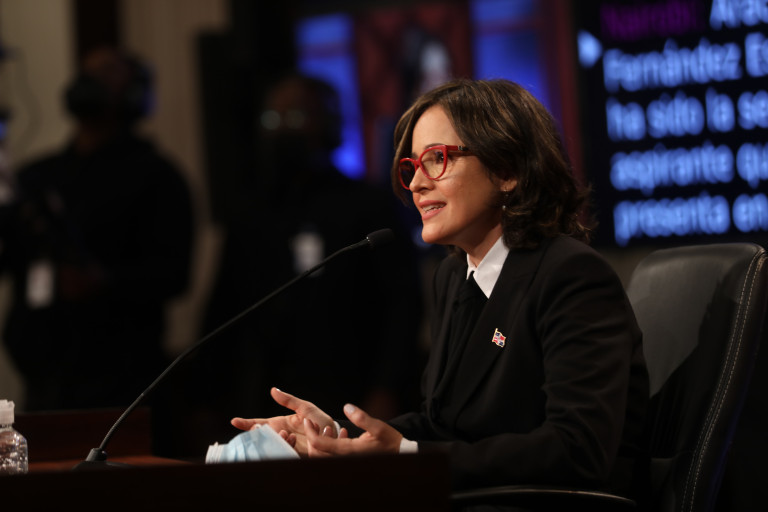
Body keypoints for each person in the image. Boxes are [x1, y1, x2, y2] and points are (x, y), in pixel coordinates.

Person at [230, 79, 649, 497]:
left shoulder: (570, 275)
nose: (416, 184)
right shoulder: (452, 277)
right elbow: (440, 424)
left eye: (437, 159)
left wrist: (408, 457)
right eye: (412, 166)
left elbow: (579, 448)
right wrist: (335, 436)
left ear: (507, 170)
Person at [185, 72, 424, 453]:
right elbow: (223, 306)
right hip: (261, 395)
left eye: (296, 117)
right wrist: (202, 398)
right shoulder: (250, 212)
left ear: (329, 123)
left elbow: (402, 305)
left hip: (349, 393)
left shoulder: (368, 205)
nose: (282, 129)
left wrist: (386, 388)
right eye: (272, 119)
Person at [0, 47, 194, 411]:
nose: (88, 82)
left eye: (105, 73)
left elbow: (174, 275)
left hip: (121, 379)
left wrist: (105, 281)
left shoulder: (157, 176)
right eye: (85, 72)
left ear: (133, 93)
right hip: (42, 378)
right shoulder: (38, 175)